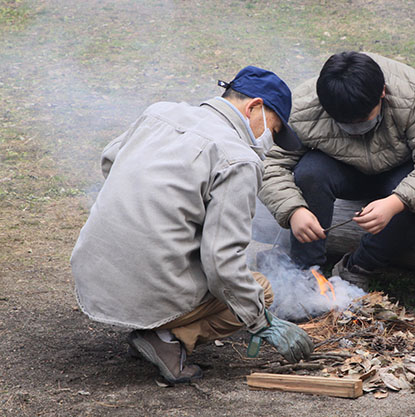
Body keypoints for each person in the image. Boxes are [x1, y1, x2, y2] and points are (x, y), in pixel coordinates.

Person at [71, 66, 314, 384]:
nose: (270, 140)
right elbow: (221, 263)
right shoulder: (238, 158)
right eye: (273, 127)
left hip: (91, 276)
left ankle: (152, 322)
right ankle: (167, 339)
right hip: (146, 287)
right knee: (261, 289)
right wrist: (262, 322)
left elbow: (109, 161)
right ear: (254, 107)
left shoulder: (159, 113)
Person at [258, 51, 415, 289]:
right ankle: (306, 272)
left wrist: (396, 202)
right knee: (309, 173)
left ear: (383, 92)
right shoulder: (305, 106)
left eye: (364, 119)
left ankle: (357, 267)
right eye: (345, 123)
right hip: (344, 171)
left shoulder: (412, 92)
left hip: (400, 172)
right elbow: (269, 164)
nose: (356, 128)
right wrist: (293, 211)